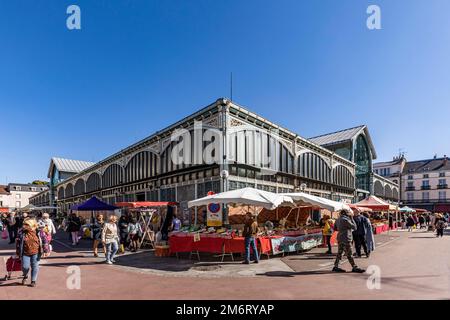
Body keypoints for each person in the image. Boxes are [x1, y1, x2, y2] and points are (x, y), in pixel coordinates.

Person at [16, 218, 48, 287]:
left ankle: (33, 281)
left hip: (36, 252)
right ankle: (25, 275)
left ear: (32, 225)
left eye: (27, 224)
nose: (24, 226)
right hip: (25, 252)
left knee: (35, 266)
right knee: (25, 267)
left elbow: (45, 241)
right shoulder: (21, 232)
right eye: (24, 224)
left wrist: (45, 250)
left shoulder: (39, 232)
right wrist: (18, 252)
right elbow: (18, 243)